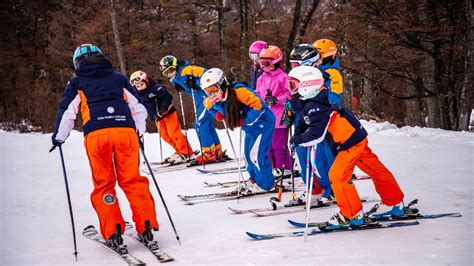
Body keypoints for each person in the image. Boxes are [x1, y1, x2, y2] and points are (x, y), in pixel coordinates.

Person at [51, 44, 159, 248]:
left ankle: (113, 231)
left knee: (104, 184)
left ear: (76, 62)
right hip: (125, 132)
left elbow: (67, 112)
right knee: (133, 180)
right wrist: (138, 132)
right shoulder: (119, 78)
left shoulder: (77, 82)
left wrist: (59, 137)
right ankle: (146, 226)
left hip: (97, 136)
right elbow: (139, 109)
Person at [288, 65, 405, 229]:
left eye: (293, 85)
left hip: (349, 143)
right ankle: (394, 202)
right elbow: (303, 121)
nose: (290, 89)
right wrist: (297, 133)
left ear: (307, 85)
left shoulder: (317, 107)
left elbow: (316, 134)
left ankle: (351, 214)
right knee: (374, 168)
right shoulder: (307, 102)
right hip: (354, 137)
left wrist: (298, 140)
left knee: (338, 176)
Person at [200, 68, 276, 194]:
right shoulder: (213, 99)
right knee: (247, 156)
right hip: (250, 128)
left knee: (256, 155)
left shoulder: (240, 92)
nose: (211, 93)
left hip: (263, 123)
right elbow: (207, 105)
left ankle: (266, 184)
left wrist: (245, 121)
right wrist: (218, 114)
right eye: (207, 91)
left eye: (213, 88)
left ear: (222, 83)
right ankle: (254, 180)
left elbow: (259, 106)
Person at [287, 43, 335, 205]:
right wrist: (291, 110)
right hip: (303, 121)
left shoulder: (323, 79)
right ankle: (313, 188)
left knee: (321, 158)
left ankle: (332, 189)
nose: (292, 68)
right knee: (302, 158)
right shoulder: (298, 79)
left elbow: (330, 102)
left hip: (319, 124)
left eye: (295, 65)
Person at [159, 55, 227, 165]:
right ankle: (216, 150)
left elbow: (207, 73)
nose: (170, 74)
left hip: (208, 98)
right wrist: (176, 84)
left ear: (176, 65)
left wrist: (197, 82)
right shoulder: (176, 77)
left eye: (171, 70)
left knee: (200, 124)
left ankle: (208, 153)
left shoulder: (188, 70)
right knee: (207, 124)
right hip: (201, 101)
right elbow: (178, 81)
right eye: (166, 73)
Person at [129, 70, 193, 164]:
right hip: (157, 118)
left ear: (146, 81)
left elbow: (167, 99)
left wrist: (162, 111)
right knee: (165, 136)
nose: (140, 88)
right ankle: (179, 151)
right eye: (137, 86)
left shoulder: (157, 89)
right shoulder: (139, 96)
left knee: (174, 133)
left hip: (168, 114)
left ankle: (186, 152)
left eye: (142, 84)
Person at [255, 45, 292, 178]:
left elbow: (290, 94)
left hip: (280, 117)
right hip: (266, 118)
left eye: (266, 63)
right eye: (261, 63)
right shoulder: (261, 79)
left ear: (275, 62)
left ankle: (285, 168)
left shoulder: (283, 77)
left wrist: (277, 100)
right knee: (268, 146)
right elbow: (258, 94)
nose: (263, 66)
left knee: (278, 145)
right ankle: (273, 168)